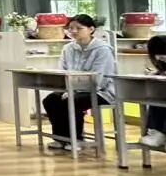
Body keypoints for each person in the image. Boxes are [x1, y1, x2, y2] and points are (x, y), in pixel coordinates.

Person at [42, 14, 117, 152]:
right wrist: (67, 88)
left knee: (72, 101)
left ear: (91, 29)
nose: (74, 31)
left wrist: (74, 90)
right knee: (50, 100)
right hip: (73, 89)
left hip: (101, 91)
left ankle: (77, 139)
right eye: (71, 28)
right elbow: (62, 71)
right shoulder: (68, 48)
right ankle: (61, 138)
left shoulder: (103, 50)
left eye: (79, 28)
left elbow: (100, 79)